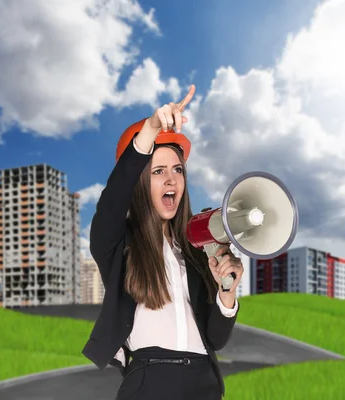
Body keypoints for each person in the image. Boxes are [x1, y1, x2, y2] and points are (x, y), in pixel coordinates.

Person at [81, 84, 244, 400]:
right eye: (158, 171)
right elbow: (112, 200)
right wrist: (151, 129)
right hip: (150, 381)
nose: (171, 180)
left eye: (178, 170)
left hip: (205, 382)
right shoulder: (117, 243)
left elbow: (216, 339)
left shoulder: (196, 251)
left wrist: (226, 293)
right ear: (138, 181)